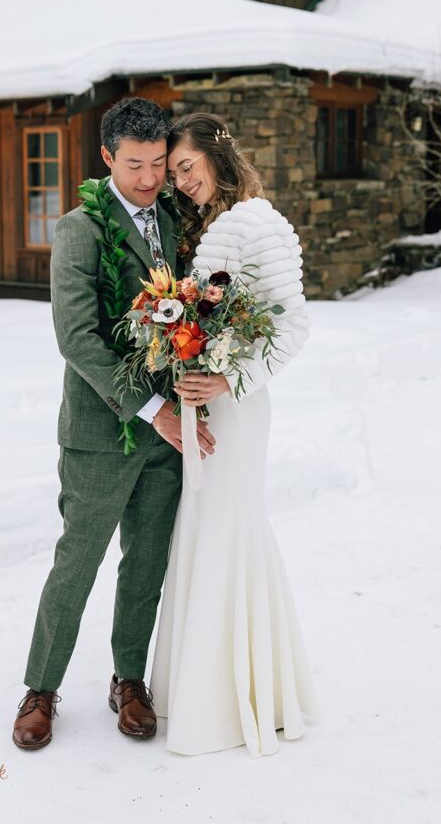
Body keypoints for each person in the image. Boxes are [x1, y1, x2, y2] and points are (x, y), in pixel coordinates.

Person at [12, 97, 216, 750]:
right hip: (105, 432)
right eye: (134, 165)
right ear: (106, 158)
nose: (150, 178)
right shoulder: (80, 228)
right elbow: (76, 338)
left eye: (158, 163)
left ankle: (129, 680)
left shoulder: (175, 217)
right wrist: (152, 410)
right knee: (77, 565)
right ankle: (40, 688)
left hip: (170, 431)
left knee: (146, 565)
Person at [150, 111, 321, 757]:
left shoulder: (257, 221)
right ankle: (203, 683)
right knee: (203, 527)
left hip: (235, 405)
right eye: (173, 175)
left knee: (228, 526)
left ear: (219, 158)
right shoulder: (218, 225)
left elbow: (292, 325)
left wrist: (228, 382)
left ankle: (237, 696)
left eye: (186, 168)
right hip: (204, 402)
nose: (180, 181)